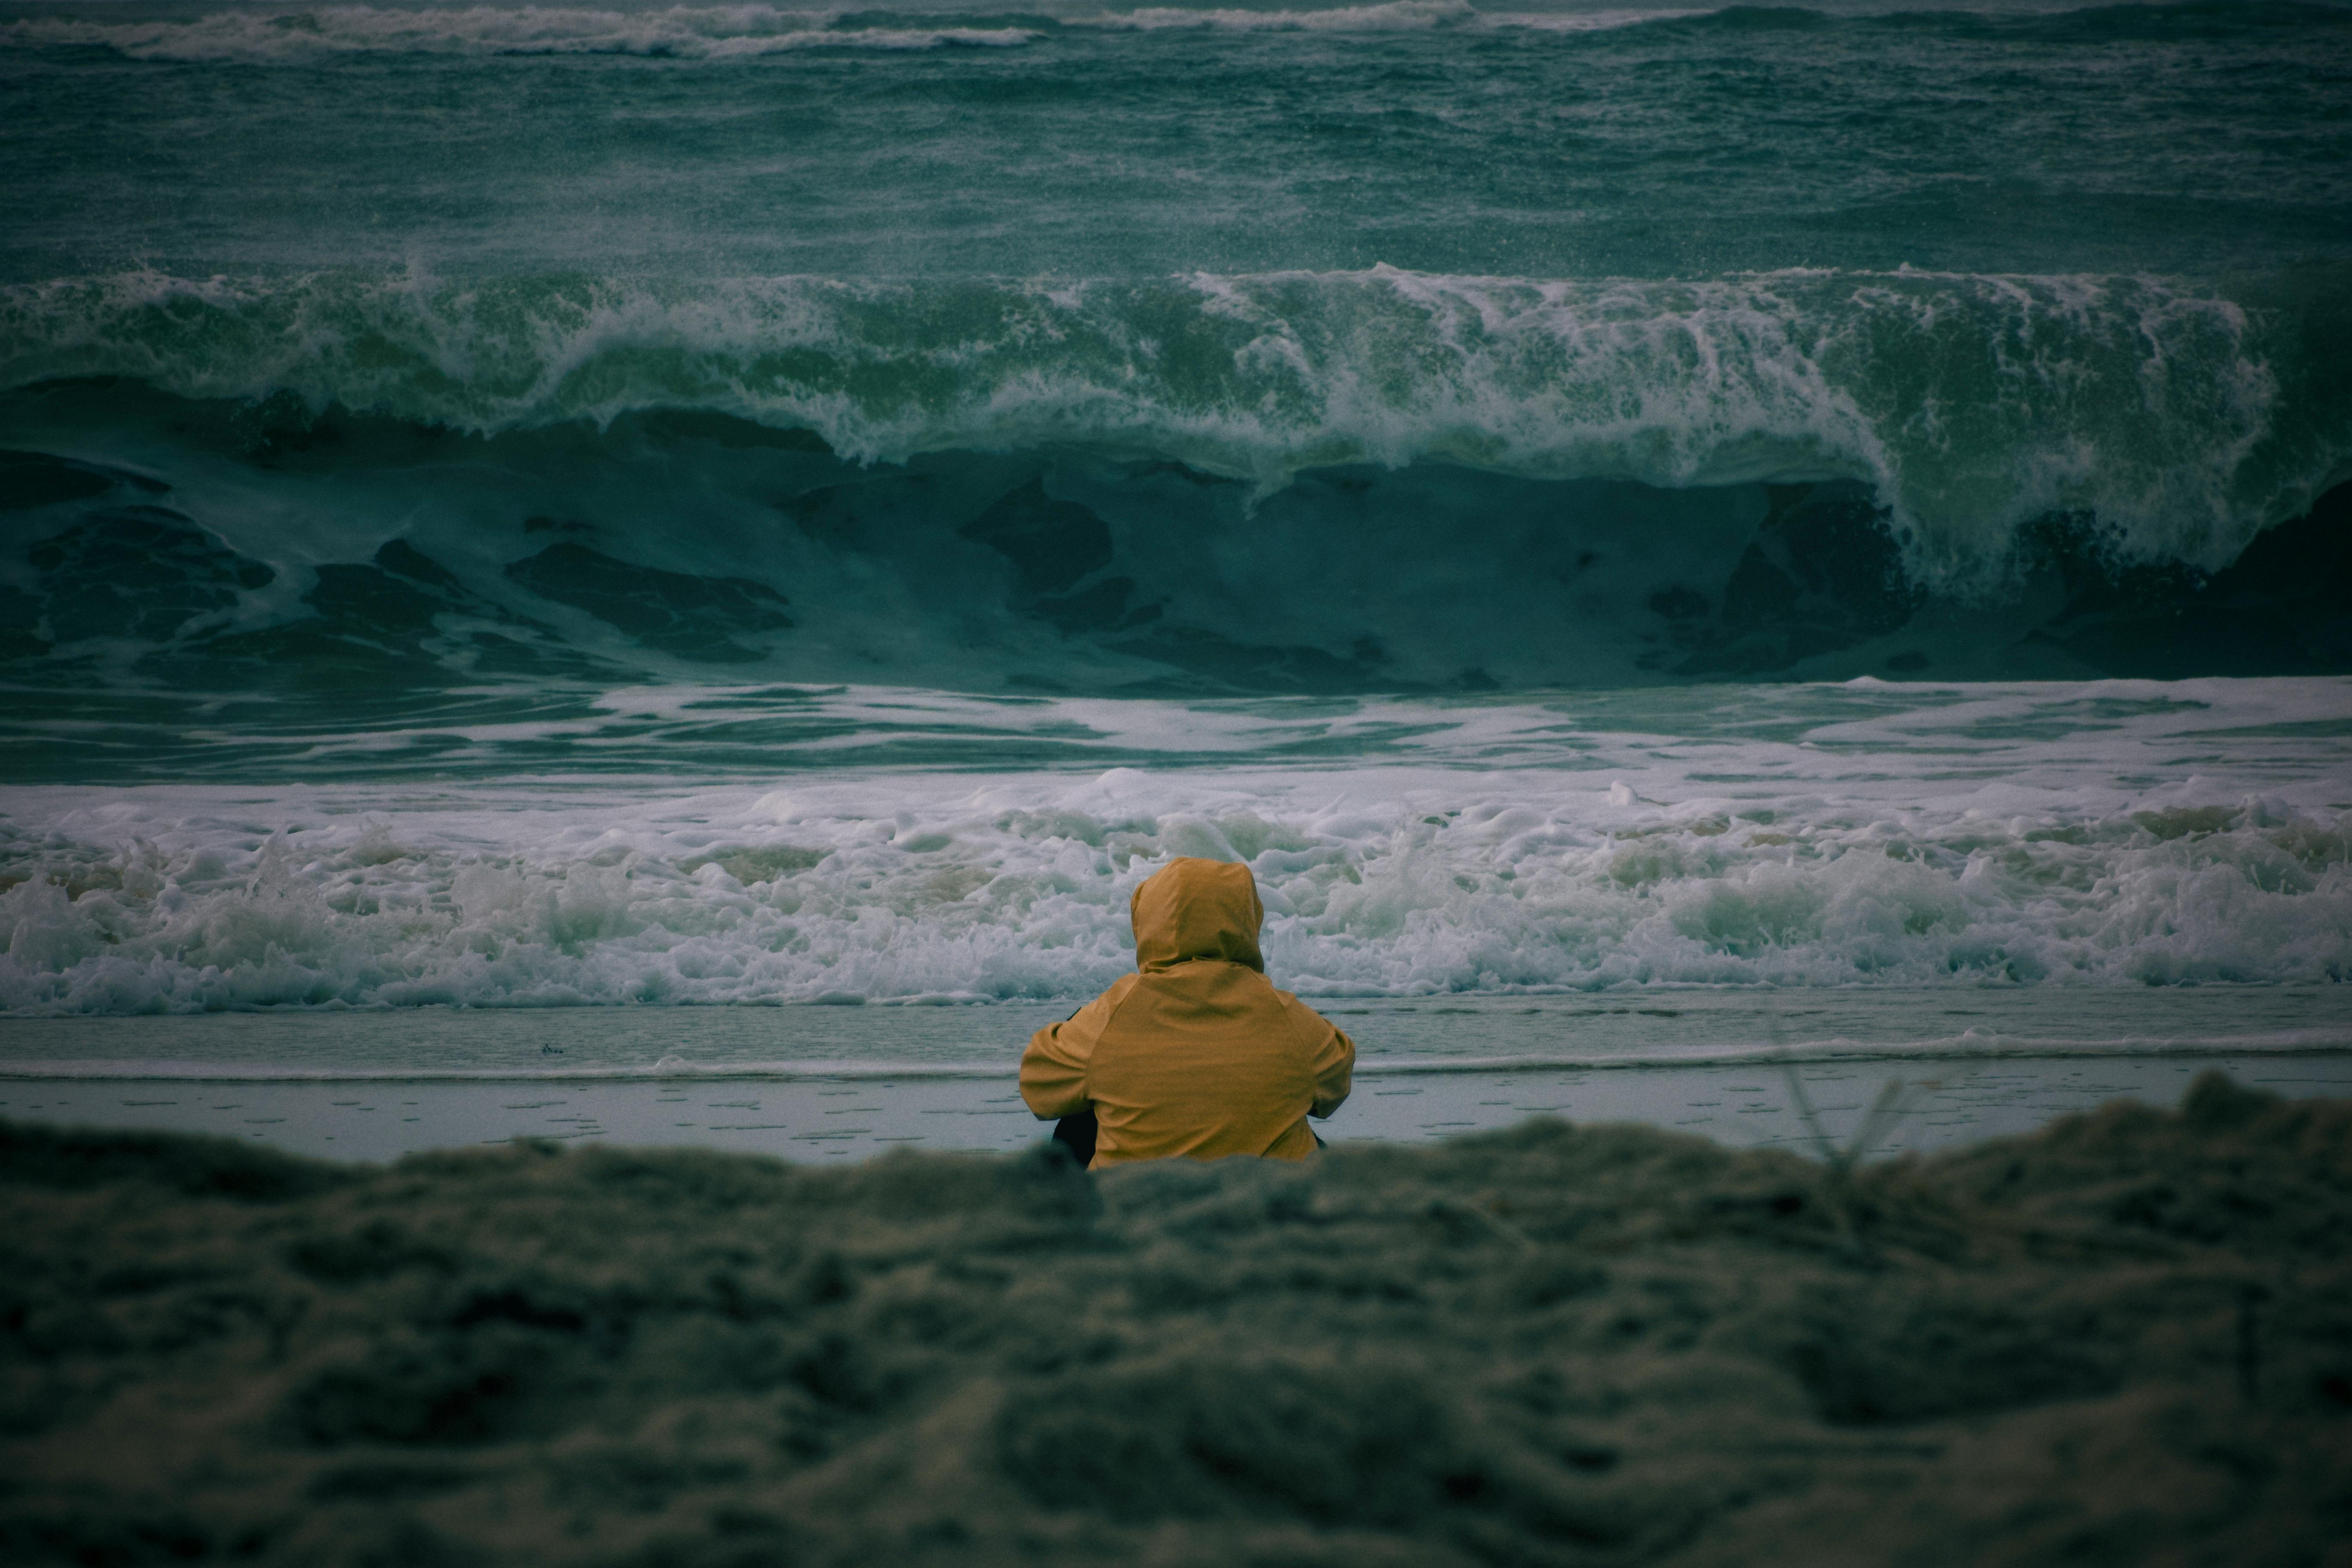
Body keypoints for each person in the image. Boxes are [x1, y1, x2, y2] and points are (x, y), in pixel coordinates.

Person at [1020, 857, 1355, 1169]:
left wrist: (1078, 1023)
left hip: (1133, 1212)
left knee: (1081, 1110)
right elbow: (1336, 1082)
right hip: (1265, 1209)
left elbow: (1039, 1089)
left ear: (1146, 921)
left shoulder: (1111, 1015)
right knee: (1295, 1117)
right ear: (1248, 920)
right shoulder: (1287, 1015)